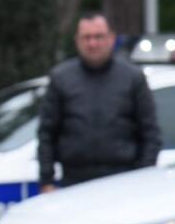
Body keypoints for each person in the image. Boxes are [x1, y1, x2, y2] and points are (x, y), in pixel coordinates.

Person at [38, 11, 162, 192]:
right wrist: (46, 181)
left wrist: (141, 178)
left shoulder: (132, 78)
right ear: (77, 40)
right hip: (74, 182)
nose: (93, 43)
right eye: (86, 37)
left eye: (99, 37)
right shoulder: (61, 78)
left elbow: (151, 134)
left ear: (111, 38)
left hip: (122, 182)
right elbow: (47, 134)